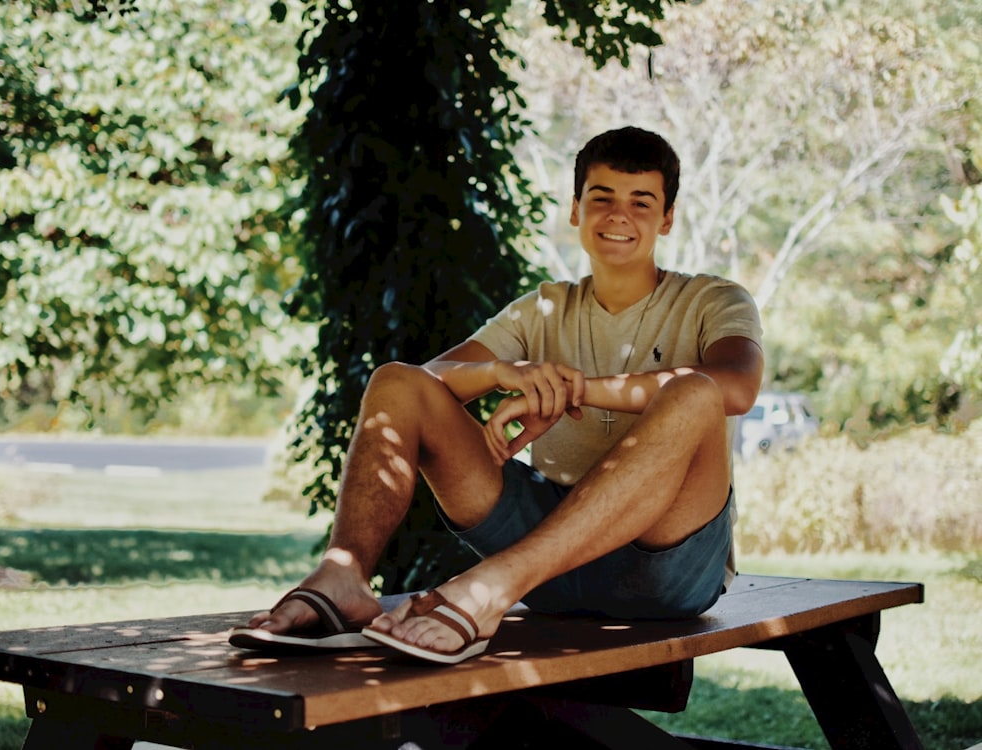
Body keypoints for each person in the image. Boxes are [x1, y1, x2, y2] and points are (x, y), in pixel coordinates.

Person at [231, 126, 764, 664]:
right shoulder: (544, 308)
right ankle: (344, 576)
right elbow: (424, 383)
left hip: (666, 570)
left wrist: (576, 388)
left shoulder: (713, 300)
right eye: (601, 198)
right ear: (576, 210)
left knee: (696, 392)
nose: (618, 215)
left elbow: (737, 387)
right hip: (552, 568)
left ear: (667, 219)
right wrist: (499, 373)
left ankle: (490, 586)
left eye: (641, 202)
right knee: (395, 380)